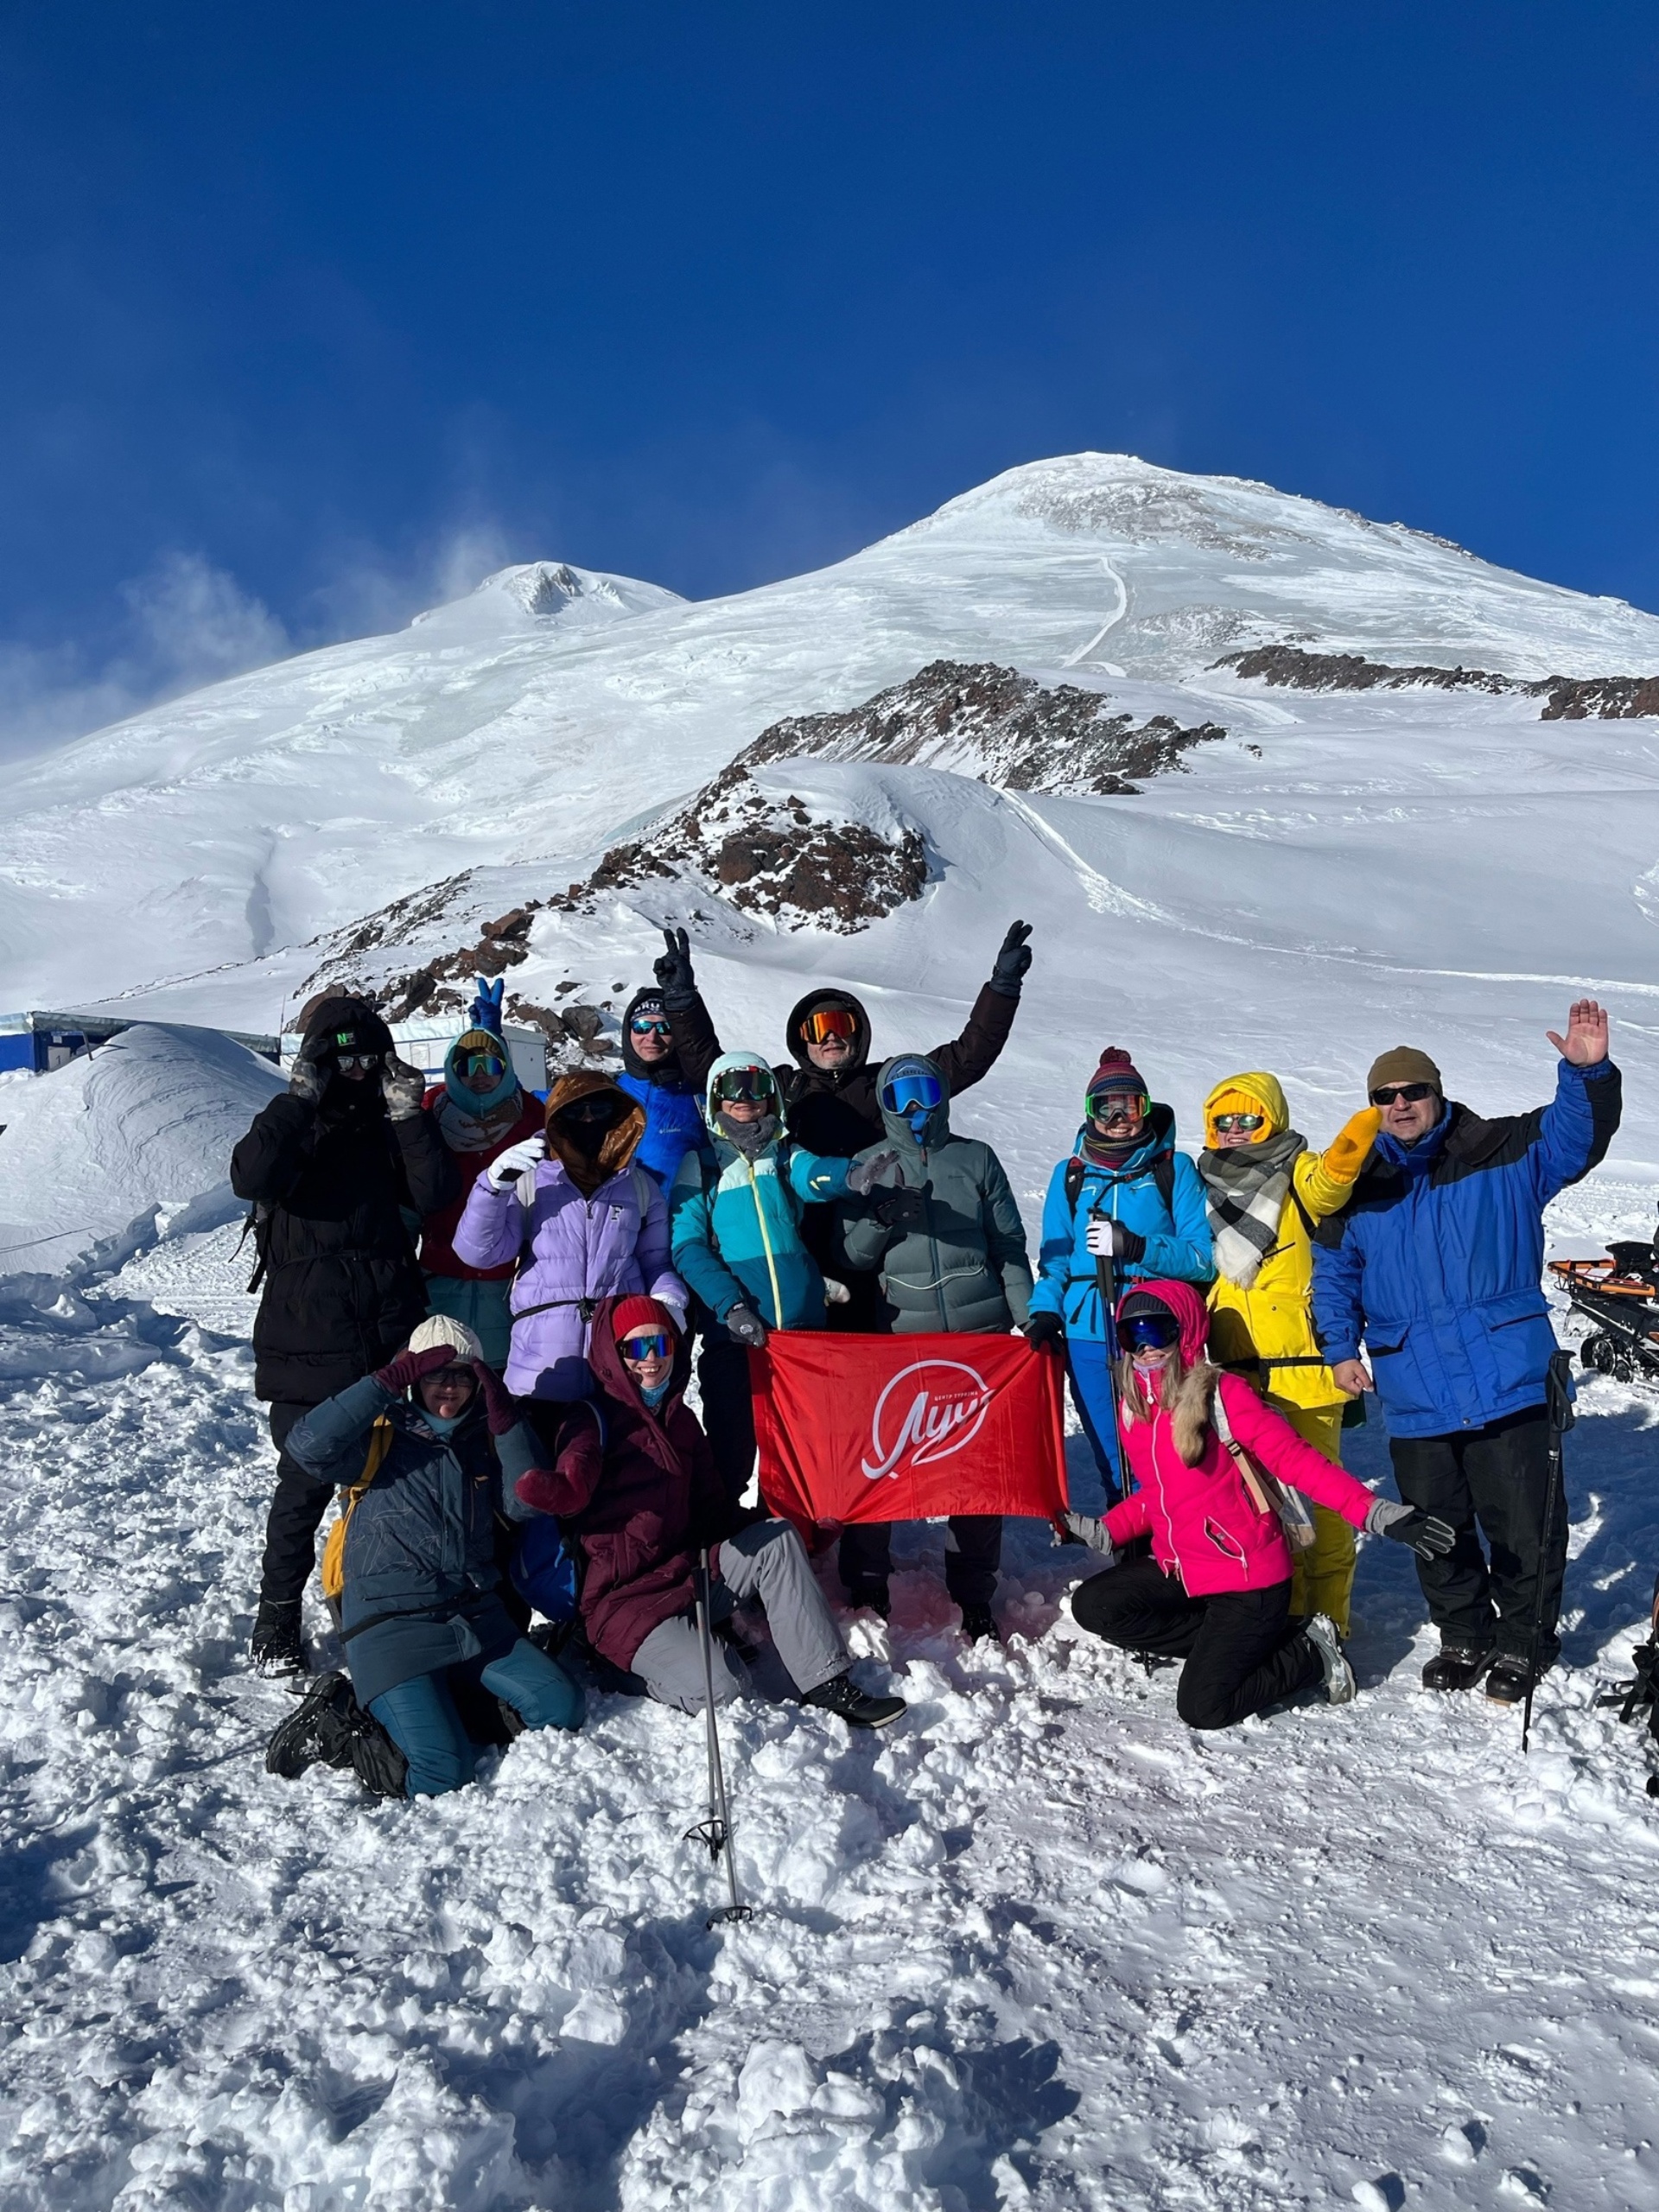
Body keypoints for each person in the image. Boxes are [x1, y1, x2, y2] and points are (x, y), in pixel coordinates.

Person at [1311, 1005, 1622, 1700]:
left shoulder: (1502, 1152)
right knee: (1437, 1524)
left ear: (1437, 1093)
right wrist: (1339, 1347)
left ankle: (1522, 1640)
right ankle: (1465, 1632)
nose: (1399, 1105)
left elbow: (1576, 1139)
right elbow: (1333, 1275)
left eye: (1411, 1092)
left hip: (1508, 1375)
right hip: (1415, 1387)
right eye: (1384, 1097)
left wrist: (1585, 1071)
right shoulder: (1356, 1187)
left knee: (1523, 1521)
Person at [1067, 1281, 1454, 1728]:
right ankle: (1238, 1644)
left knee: (1203, 1708)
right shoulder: (1137, 1409)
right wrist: (1107, 1531)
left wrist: (1377, 1513)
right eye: (1132, 1335)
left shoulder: (1223, 1396)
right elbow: (1158, 1493)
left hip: (1247, 1580)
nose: (1146, 1347)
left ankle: (1309, 1650)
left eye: (1158, 1330)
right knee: (1096, 1605)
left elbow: (1298, 1462)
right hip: (1187, 1570)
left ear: (1187, 1331)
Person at [517, 1297, 906, 1726]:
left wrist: (804, 1531)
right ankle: (613, 1665)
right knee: (727, 1688)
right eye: (636, 1349)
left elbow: (714, 1511)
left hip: (685, 1574)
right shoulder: (590, 1421)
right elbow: (578, 1473)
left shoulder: (681, 1421)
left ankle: (828, 1684)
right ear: (614, 1354)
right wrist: (561, 1491)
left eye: (660, 1346)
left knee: (776, 1539)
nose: (651, 1361)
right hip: (622, 1602)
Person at [231, 991, 458, 1681]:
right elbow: (251, 1175)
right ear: (317, 1059)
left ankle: (387, 1600)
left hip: (389, 1327)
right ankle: (275, 1616)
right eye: (342, 1056)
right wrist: (298, 1098)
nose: (356, 1069)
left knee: (394, 1480)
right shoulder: (293, 1125)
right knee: (303, 1481)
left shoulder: (389, 1128)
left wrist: (406, 1116)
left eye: (370, 1056)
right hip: (307, 1332)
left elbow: (433, 1194)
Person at [654, 919, 1033, 1327]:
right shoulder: (785, 1089)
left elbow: (965, 1058)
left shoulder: (884, 1086)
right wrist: (682, 1001)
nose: (830, 1037)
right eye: (817, 1028)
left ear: (858, 1032)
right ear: (802, 1040)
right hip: (807, 1251)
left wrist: (1003, 988)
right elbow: (714, 1070)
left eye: (841, 1025)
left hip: (879, 1246)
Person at [264, 1316, 584, 1798]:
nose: (449, 1388)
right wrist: (382, 1385)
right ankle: (337, 1725)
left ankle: (446, 1705)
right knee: (441, 1775)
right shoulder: (379, 1437)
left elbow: (526, 1502)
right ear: (412, 1378)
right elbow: (307, 1445)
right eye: (435, 1374)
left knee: (561, 1707)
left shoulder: (486, 1440)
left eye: (461, 1375)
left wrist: (506, 1421)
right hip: (391, 1623)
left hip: (472, 1615)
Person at [835, 1053, 1033, 1639]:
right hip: (902, 1342)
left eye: (925, 1091)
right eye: (901, 1096)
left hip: (981, 1340)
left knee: (977, 1470)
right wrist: (880, 1218)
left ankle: (974, 1591)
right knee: (888, 1463)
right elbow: (851, 1258)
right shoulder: (867, 1165)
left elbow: (1009, 1246)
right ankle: (867, 1580)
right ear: (887, 1105)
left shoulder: (976, 1159)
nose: (916, 1108)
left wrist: (1029, 1318)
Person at [1195, 1072, 1382, 1636]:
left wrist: (1357, 1138)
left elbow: (1329, 1185)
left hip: (1303, 1378)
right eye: (1222, 1121)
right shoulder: (1203, 1186)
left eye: (1248, 1118)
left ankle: (1327, 1623)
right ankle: (1283, 1617)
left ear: (1272, 1119)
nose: (1233, 1131)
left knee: (1319, 1508)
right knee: (1265, 1509)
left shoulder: (1296, 1173)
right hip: (1235, 1386)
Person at [668, 1052, 900, 1500]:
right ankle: (725, 1545)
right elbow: (687, 1246)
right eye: (732, 1088)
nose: (744, 1099)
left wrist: (850, 1176)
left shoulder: (785, 1155)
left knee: (806, 1452)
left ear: (771, 1097)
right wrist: (729, 1305)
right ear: (715, 1096)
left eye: (756, 1087)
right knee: (733, 1450)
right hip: (735, 1335)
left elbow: (815, 1174)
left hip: (802, 1333)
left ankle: (805, 1544)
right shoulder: (702, 1166)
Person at [1024, 1047, 1213, 1504]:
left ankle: (1176, 1549)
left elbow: (1202, 1258)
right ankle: (1132, 1555)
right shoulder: (1069, 1177)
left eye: (1130, 1105)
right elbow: (1055, 1259)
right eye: (1104, 1107)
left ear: (1145, 1109)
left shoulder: (1173, 1169)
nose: (1118, 1117)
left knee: (1166, 1447)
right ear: (1089, 1113)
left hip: (1155, 1325)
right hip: (1087, 1331)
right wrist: (1045, 1312)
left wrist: (1137, 1247)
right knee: (1112, 1451)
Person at [451, 1069, 686, 1423]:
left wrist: (668, 1300)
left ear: (619, 1116)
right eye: (576, 1111)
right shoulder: (531, 1180)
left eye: (600, 1110)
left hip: (618, 1364)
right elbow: (480, 1253)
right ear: (557, 1117)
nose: (588, 1119)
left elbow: (655, 1263)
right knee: (541, 1471)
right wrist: (492, 1187)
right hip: (539, 1370)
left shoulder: (640, 1187)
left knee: (617, 1471)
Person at [416, 991, 544, 1368]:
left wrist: (493, 1035)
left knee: (498, 1386)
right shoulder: (432, 1109)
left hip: (504, 1282)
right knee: (439, 1380)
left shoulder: (528, 1114)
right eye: (466, 1067)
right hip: (438, 1276)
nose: (479, 1076)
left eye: (490, 1065)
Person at [614, 988, 706, 1190]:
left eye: (665, 1027)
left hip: (680, 1218)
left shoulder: (697, 1095)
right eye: (642, 1026)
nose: (652, 1036)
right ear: (628, 1031)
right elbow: (541, 1105)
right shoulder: (610, 1091)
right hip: (616, 1219)